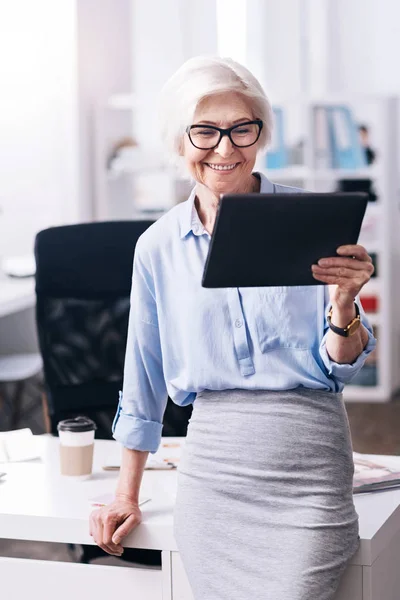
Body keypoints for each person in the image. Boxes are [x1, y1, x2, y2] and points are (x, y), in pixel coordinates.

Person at [89, 56, 376, 600]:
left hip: (308, 465)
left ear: (261, 133)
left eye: (242, 129)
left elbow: (344, 365)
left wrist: (345, 305)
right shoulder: (156, 247)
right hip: (213, 474)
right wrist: (126, 493)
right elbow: (144, 376)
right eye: (205, 131)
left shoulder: (311, 220)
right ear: (179, 141)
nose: (226, 148)